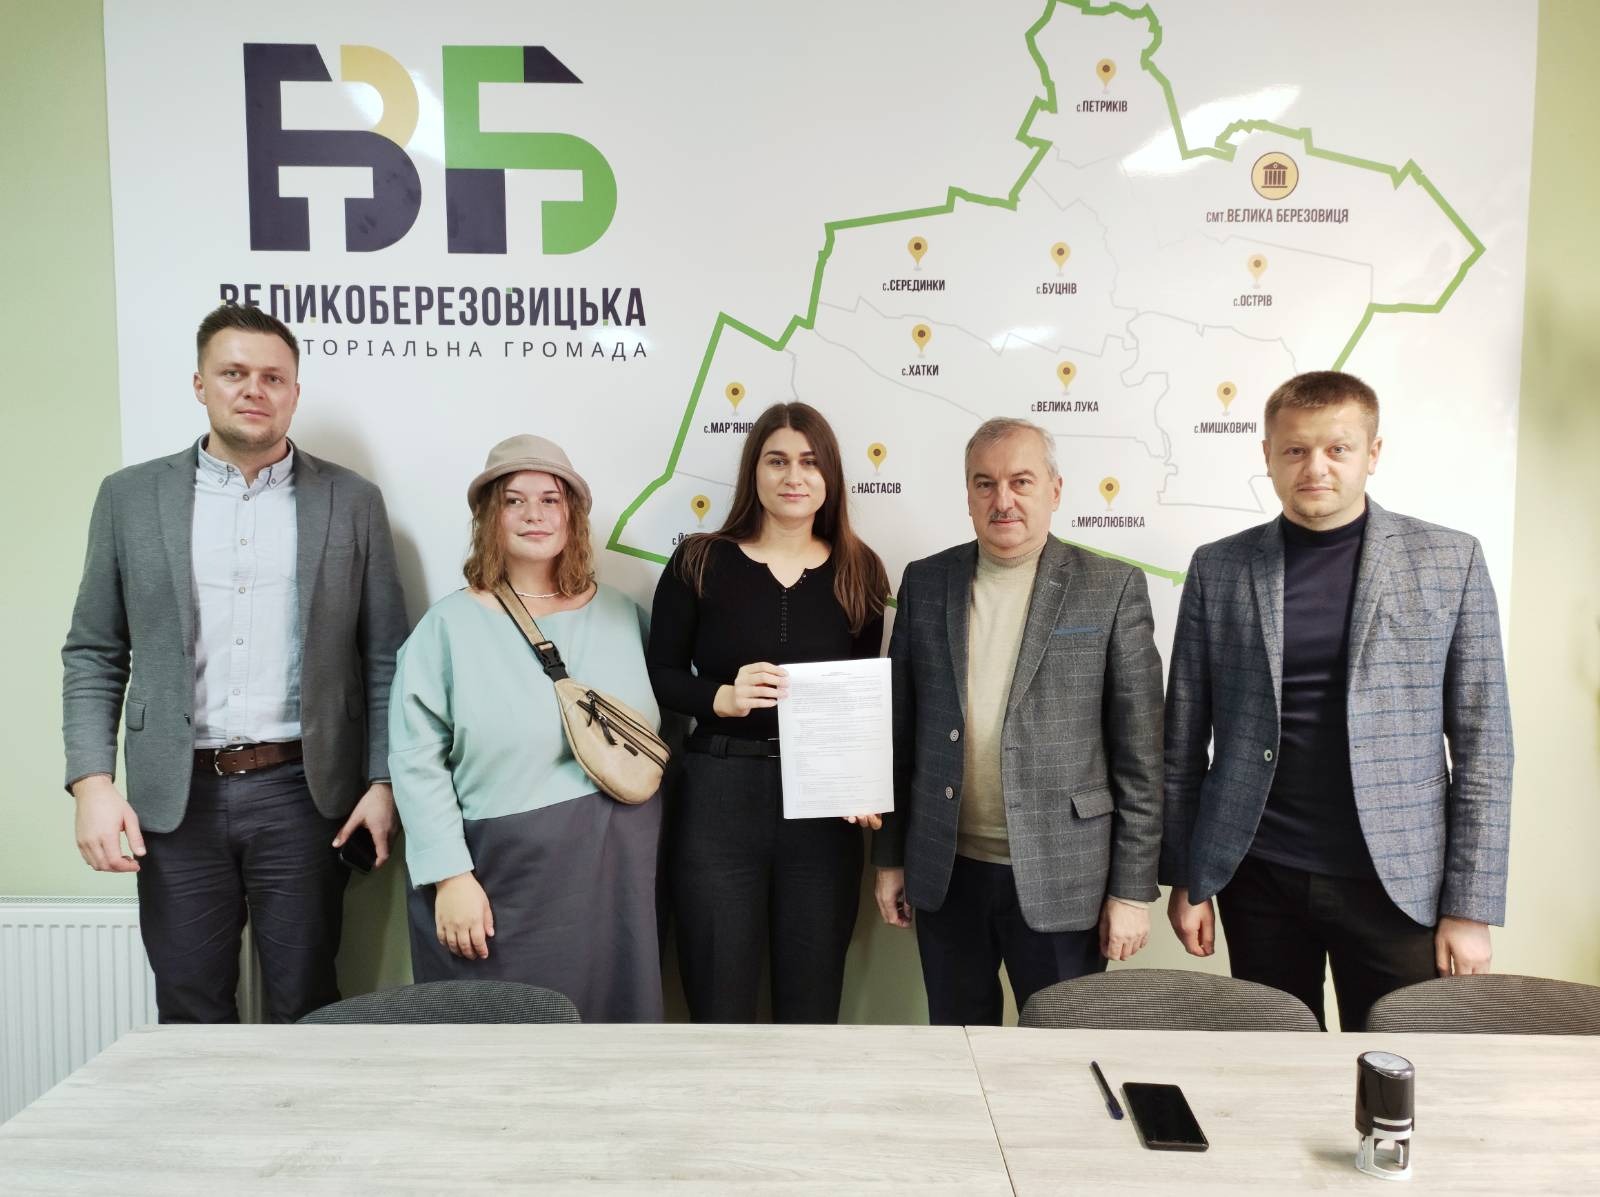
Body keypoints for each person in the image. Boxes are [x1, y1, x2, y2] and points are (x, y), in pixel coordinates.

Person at [62, 302, 408, 1023]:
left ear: (294, 392)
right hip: (175, 799)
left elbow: (384, 658)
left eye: (273, 377)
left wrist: (382, 781)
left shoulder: (352, 502)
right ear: (200, 384)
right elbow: (95, 650)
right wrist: (92, 782)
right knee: (189, 1009)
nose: (254, 389)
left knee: (307, 1006)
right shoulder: (130, 497)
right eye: (234, 373)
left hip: (304, 795)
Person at [1162, 370, 1513, 1031]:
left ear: (1372, 453)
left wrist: (1470, 907)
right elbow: (1180, 743)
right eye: (1295, 449)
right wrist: (1187, 876)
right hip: (1257, 874)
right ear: (1268, 455)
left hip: (1398, 883)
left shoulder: (1450, 561)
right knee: (1274, 1061)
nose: (1315, 467)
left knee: (1395, 1064)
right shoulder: (1219, 567)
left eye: (1337, 449)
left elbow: (1485, 748)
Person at [872, 417, 1164, 1026]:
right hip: (947, 871)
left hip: (1067, 876)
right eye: (985, 483)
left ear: (1055, 490)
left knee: (1061, 1053)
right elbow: (898, 736)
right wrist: (891, 857)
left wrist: (1132, 891)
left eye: (1021, 482)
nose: (1002, 500)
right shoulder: (926, 583)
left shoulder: (1111, 587)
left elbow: (1141, 757)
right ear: (968, 495)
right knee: (959, 1044)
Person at [389, 435, 663, 1021]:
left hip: (618, 871)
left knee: (611, 1033)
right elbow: (414, 757)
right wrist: (449, 876)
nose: (534, 514)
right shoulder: (448, 626)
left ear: (573, 517)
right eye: (514, 500)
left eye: (550, 499)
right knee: (503, 1037)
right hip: (498, 877)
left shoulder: (624, 616)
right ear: (491, 517)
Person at [648, 402, 888, 1023]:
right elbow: (658, 674)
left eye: (810, 462)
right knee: (717, 1000)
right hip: (718, 796)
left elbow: (863, 696)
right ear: (752, 471)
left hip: (823, 811)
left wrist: (861, 783)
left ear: (830, 475)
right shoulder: (699, 559)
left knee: (812, 1003)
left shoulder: (860, 569)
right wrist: (720, 698)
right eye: (776, 461)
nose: (793, 476)